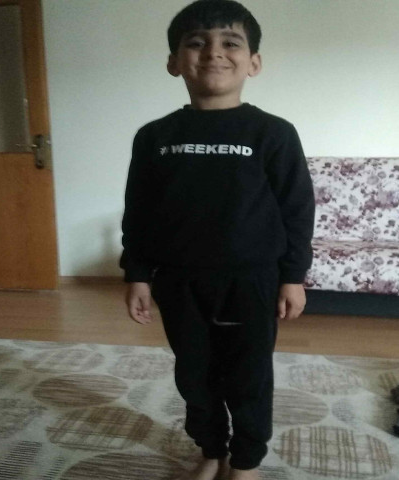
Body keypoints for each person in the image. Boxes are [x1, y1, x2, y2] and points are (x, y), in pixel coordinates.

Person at [119, 1, 315, 478]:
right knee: (194, 375)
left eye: (230, 42)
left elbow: (297, 208)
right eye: (196, 42)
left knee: (249, 376)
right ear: (173, 62)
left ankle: (245, 460)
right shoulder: (154, 136)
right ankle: (211, 449)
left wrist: (292, 276)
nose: (213, 53)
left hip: (251, 280)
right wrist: (137, 274)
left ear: (254, 62)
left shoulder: (274, 133)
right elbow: (139, 209)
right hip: (179, 281)